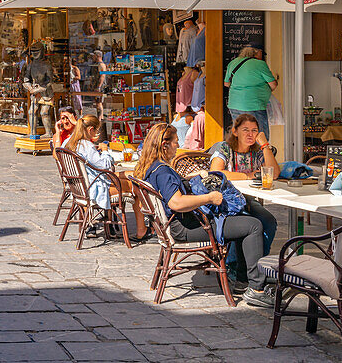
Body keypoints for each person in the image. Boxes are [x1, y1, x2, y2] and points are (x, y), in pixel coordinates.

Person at [134, 123, 273, 308]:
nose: (178, 144)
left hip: (175, 225)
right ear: (164, 144)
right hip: (186, 228)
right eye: (176, 142)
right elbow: (176, 202)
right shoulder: (163, 172)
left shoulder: (152, 167)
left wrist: (192, 177)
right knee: (253, 225)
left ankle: (243, 282)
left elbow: (172, 189)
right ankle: (256, 289)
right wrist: (209, 197)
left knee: (244, 219)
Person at [209, 113, 280, 260]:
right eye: (245, 130)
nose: (250, 134)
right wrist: (247, 176)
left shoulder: (256, 152)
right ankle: (234, 266)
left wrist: (265, 145)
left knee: (269, 222)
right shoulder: (225, 148)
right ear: (235, 131)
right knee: (249, 223)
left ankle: (260, 263)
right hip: (225, 202)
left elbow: (274, 174)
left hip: (247, 200)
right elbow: (215, 172)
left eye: (254, 130)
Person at [64, 114, 118, 231]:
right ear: (90, 130)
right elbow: (105, 166)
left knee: (122, 178)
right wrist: (105, 151)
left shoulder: (67, 143)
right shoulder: (86, 146)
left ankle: (110, 225)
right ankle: (140, 229)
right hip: (91, 188)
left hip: (77, 187)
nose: (96, 134)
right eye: (96, 131)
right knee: (129, 183)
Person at [224, 45, 278, 138]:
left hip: (235, 105)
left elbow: (226, 83)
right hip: (254, 105)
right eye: (261, 53)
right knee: (259, 136)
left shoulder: (233, 63)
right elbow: (273, 84)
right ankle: (259, 153)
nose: (262, 56)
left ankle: (242, 152)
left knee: (241, 135)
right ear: (256, 52)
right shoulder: (260, 64)